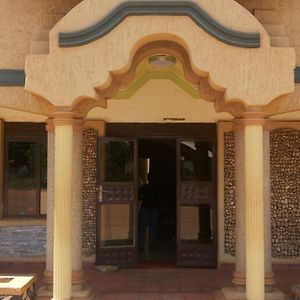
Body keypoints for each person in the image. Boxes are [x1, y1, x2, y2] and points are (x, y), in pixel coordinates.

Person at [138, 172, 159, 251]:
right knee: (149, 227)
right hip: (149, 209)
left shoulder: (145, 188)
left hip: (148, 209)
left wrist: (146, 198)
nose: (152, 179)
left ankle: (143, 245)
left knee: (145, 227)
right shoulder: (147, 188)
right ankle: (149, 245)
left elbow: (141, 197)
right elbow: (140, 197)